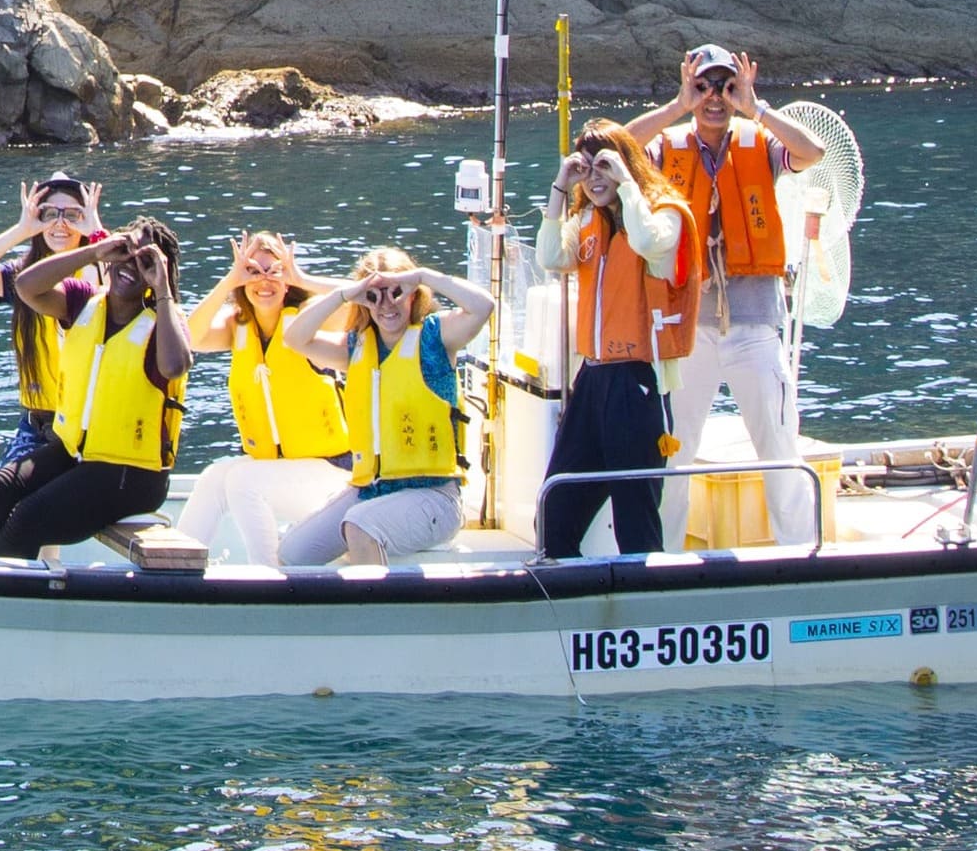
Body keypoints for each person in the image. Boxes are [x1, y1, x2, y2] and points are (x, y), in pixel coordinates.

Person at [632, 43, 823, 503]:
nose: (715, 98)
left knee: (778, 444)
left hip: (754, 324)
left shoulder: (760, 142)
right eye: (704, 87)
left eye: (726, 87)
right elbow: (615, 147)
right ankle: (665, 556)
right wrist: (678, 106)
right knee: (673, 450)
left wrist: (757, 108)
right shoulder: (667, 147)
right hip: (686, 328)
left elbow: (812, 152)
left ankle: (797, 553)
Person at [0, 209, 191, 559]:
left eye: (145, 262)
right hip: (73, 452)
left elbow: (175, 366)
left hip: (131, 474)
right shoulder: (83, 301)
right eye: (127, 254)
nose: (131, 266)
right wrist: (94, 251)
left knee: (29, 518)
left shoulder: (164, 325)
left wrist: (163, 288)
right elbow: (25, 286)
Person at [287, 246, 502, 564]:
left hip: (434, 497)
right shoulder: (356, 348)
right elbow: (294, 338)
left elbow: (483, 306)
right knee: (293, 551)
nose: (386, 305)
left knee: (361, 525)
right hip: (373, 490)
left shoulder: (437, 338)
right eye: (374, 297)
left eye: (396, 293)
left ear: (414, 296)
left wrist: (422, 276)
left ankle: (375, 613)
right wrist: (345, 294)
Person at [538, 127, 683, 560]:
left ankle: (644, 615)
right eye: (587, 168)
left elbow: (647, 242)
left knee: (635, 523)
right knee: (555, 514)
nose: (595, 177)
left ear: (626, 163)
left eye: (604, 164)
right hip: (593, 381)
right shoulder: (585, 221)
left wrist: (627, 183)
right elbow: (550, 258)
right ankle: (571, 611)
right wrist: (560, 188)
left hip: (638, 384)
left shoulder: (664, 214)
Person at [0, 172, 99, 462]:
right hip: (38, 425)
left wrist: (97, 233)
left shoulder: (101, 272)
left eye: (72, 214)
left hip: (90, 426)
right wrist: (21, 230)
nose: (60, 223)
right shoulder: (24, 278)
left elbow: (120, 283)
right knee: (3, 495)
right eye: (48, 214)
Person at [183, 229, 355, 468]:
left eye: (275, 271)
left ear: (287, 283)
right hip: (270, 463)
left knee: (240, 483)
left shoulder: (310, 315)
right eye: (253, 271)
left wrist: (303, 279)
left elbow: (362, 299)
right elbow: (190, 337)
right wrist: (228, 282)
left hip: (329, 462)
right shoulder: (236, 323)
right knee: (217, 475)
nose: (264, 281)